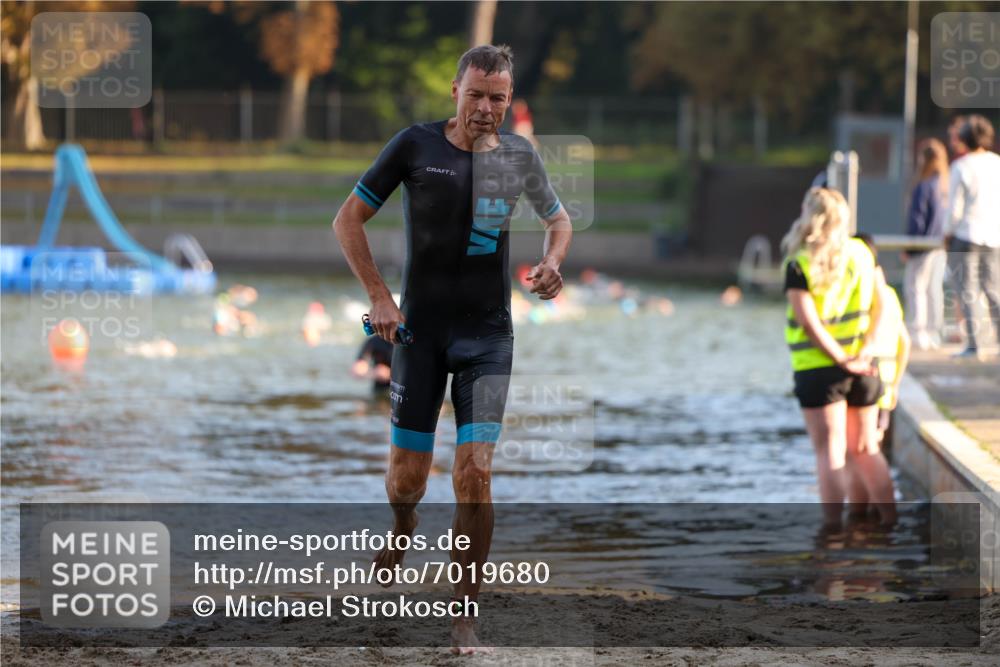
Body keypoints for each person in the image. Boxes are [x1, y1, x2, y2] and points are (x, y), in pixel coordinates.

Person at [331, 44, 572, 654]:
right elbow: (347, 220)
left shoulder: (519, 157)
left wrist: (551, 263)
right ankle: (404, 524)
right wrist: (380, 299)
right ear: (455, 91)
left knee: (476, 473)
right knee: (407, 480)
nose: (485, 108)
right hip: (421, 334)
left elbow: (559, 220)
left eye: (497, 98)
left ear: (508, 101)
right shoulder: (415, 146)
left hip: (489, 338)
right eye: (476, 95)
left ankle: (464, 613)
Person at [782, 188, 896, 528]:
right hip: (865, 364)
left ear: (810, 215)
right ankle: (890, 522)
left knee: (828, 451)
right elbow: (883, 303)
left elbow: (808, 321)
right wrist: (868, 347)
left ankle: (832, 532)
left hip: (819, 369)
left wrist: (839, 358)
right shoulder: (863, 252)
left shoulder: (800, 261)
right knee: (866, 449)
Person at [944, 115, 1000, 359]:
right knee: (993, 289)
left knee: (966, 290)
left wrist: (947, 233)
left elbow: (954, 207)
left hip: (967, 234)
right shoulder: (996, 163)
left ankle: (974, 344)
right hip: (993, 235)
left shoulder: (961, 166)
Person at [857, 235, 911, 445]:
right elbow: (905, 343)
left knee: (860, 448)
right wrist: (896, 384)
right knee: (873, 445)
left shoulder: (859, 293)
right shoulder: (889, 294)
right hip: (886, 385)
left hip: (866, 377)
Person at [903, 139, 948, 350]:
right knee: (933, 289)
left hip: (922, 246)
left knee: (915, 287)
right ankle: (933, 332)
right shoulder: (944, 186)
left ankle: (918, 333)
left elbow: (917, 220)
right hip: (940, 246)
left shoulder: (924, 187)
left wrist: (909, 247)